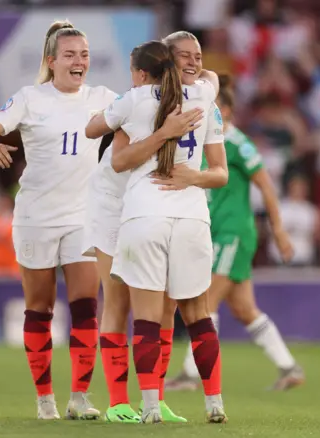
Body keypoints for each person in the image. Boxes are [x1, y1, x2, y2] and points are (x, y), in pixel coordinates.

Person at [0, 20, 117, 421]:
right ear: (51, 61)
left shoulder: (103, 97)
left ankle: (79, 397)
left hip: (82, 217)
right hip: (36, 216)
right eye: (70, 55)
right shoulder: (29, 99)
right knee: (39, 309)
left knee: (87, 305)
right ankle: (44, 400)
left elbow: (143, 113)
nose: (79, 62)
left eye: (84, 55)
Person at [86, 36, 228, 424]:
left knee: (148, 315)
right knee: (189, 314)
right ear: (169, 60)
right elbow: (221, 171)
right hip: (171, 214)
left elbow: (95, 132)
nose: (195, 63)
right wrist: (193, 173)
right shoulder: (204, 101)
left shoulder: (136, 99)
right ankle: (211, 403)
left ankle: (150, 405)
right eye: (188, 56)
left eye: (199, 57)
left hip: (142, 211)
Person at [165, 74, 305, 392]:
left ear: (225, 111)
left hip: (233, 234)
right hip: (216, 234)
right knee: (244, 309)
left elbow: (267, 187)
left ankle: (189, 375)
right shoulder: (201, 141)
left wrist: (279, 232)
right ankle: (289, 367)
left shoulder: (237, 143)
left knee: (204, 302)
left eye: (212, 105)